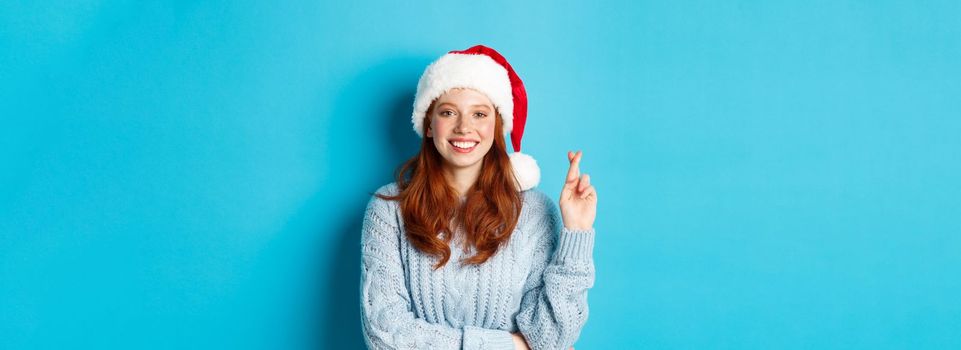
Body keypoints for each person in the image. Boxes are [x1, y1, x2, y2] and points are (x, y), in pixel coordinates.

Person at [359, 45, 597, 350]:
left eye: (479, 114)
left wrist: (576, 232)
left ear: (496, 126)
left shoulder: (536, 211)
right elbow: (386, 338)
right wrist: (509, 345)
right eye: (448, 112)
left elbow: (551, 339)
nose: (464, 127)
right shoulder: (388, 209)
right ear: (429, 125)